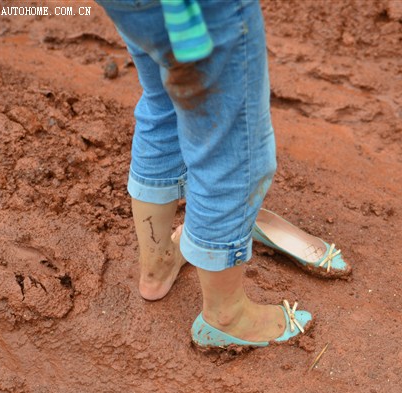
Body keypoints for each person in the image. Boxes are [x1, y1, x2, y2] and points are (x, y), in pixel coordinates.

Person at [96, 0, 312, 349]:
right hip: (196, 10)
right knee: (230, 145)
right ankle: (227, 317)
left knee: (162, 103)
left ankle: (156, 266)